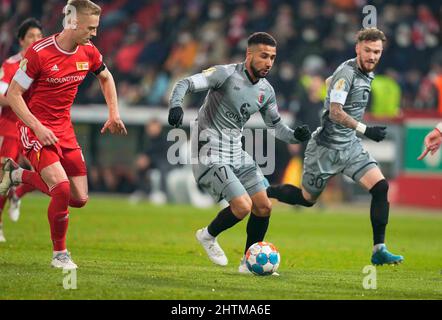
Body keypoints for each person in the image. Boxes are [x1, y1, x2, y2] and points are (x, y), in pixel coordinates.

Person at [168, 32, 311, 274]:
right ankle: (207, 235)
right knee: (243, 206)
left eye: (273, 58)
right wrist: (175, 106)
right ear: (249, 54)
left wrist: (295, 136)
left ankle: (247, 263)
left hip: (236, 151)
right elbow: (185, 83)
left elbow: (276, 126)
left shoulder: (266, 90)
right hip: (208, 150)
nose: (269, 62)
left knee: (264, 206)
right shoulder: (224, 74)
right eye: (264, 56)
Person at [0, 0, 127, 269]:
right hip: (34, 128)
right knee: (61, 189)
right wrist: (36, 127)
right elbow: (13, 95)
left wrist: (113, 113)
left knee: (79, 199)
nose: (94, 33)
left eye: (96, 28)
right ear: (73, 23)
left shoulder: (89, 52)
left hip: (63, 130)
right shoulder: (39, 53)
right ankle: (60, 254)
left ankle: (16, 175)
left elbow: (106, 77)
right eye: (90, 28)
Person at [267, 27, 404, 266]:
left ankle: (379, 249)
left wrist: (331, 91)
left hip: (349, 147)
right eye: (368, 50)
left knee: (380, 187)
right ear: (357, 49)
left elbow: (331, 83)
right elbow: (336, 112)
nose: (373, 56)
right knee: (308, 199)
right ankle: (264, 190)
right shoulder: (347, 73)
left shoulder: (365, 72)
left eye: (377, 51)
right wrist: (366, 130)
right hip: (325, 149)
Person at [0, 18, 43, 242]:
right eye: (31, 36)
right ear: (21, 41)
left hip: (37, 127)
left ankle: (18, 193)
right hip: (10, 127)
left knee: (46, 174)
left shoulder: (46, 62)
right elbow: (1, 96)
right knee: (4, 175)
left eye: (39, 36)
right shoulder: (10, 65)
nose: (36, 40)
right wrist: (18, 97)